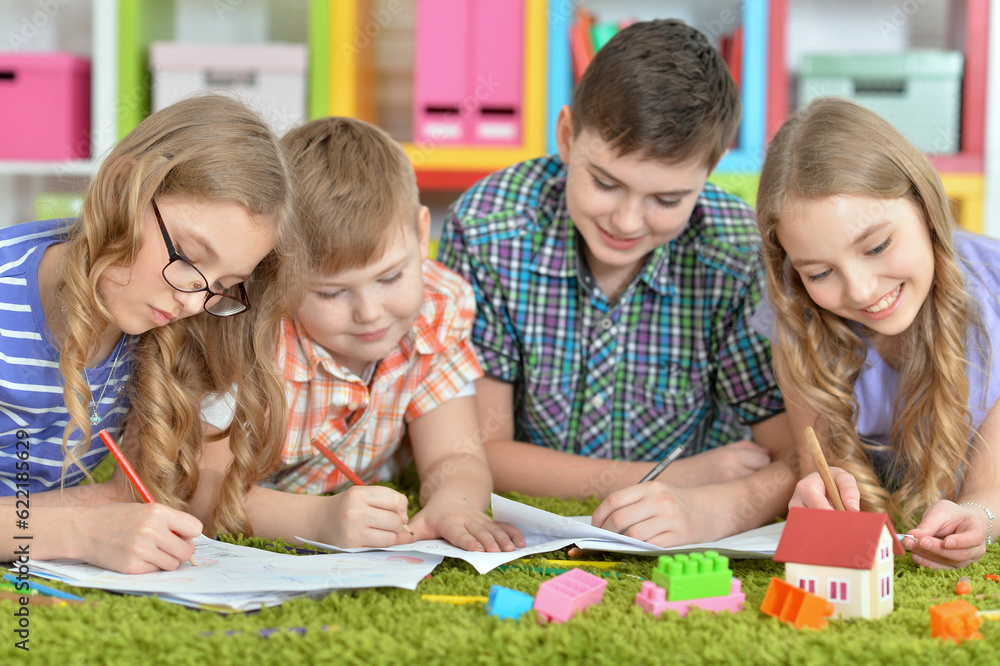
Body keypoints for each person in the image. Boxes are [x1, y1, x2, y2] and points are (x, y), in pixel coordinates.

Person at [438, 19, 797, 547]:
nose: (628, 222)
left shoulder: (736, 253)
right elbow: (480, 454)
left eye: (668, 199)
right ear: (566, 136)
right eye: (605, 183)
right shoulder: (490, 230)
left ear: (712, 168)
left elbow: (795, 456)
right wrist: (678, 475)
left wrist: (721, 508)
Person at [0, 94, 302, 573]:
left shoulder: (175, 317)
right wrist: (76, 531)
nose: (193, 301)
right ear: (124, 187)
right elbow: (101, 510)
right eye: (187, 254)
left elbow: (140, 493)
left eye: (223, 285)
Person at [198, 117, 524, 553]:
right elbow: (201, 492)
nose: (370, 313)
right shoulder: (248, 334)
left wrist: (456, 503)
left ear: (423, 234)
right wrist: (317, 519)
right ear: (277, 271)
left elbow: (456, 456)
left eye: (390, 278)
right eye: (331, 292)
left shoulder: (434, 312)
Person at [754, 97, 1000, 569]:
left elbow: (988, 487)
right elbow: (822, 461)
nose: (862, 290)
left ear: (926, 208)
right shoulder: (795, 307)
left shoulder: (991, 300)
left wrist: (977, 516)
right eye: (820, 272)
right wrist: (821, 492)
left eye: (878, 246)